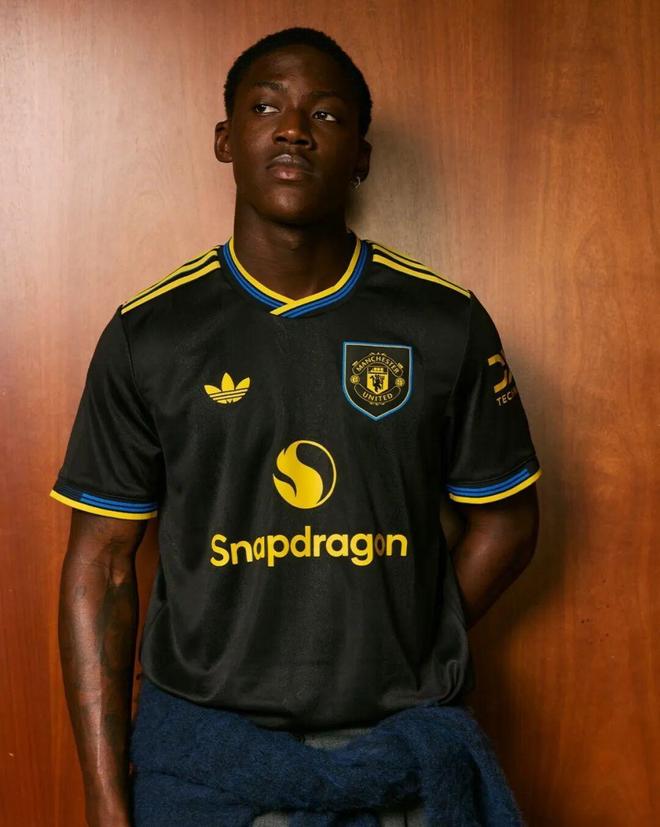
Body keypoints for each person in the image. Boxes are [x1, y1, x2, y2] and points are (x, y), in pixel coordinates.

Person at [52, 26, 541, 827]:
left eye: (326, 114)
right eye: (266, 107)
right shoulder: (152, 333)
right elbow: (102, 564)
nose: (292, 129)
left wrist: (410, 626)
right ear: (225, 139)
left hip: (396, 757)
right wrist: (106, 802)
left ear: (363, 157)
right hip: (211, 762)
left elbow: (509, 519)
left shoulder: (443, 322)